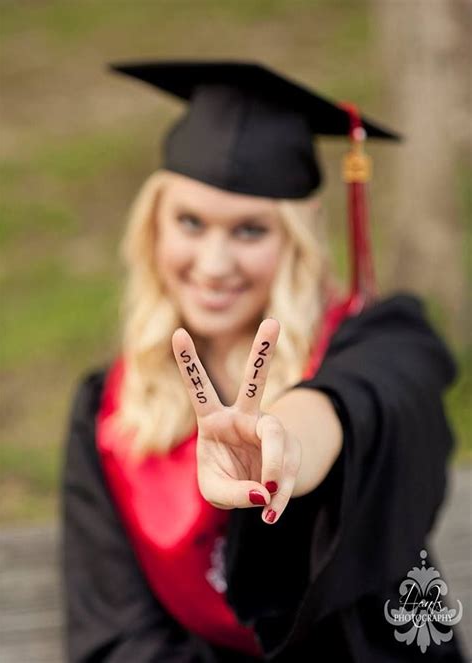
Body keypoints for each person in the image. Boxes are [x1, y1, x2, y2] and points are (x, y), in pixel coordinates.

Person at [61, 61, 466, 662]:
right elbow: (119, 636)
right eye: (190, 222)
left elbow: (367, 396)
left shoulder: (377, 339)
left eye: (250, 230)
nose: (215, 262)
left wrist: (288, 443)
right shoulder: (108, 412)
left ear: (296, 241)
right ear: (152, 228)